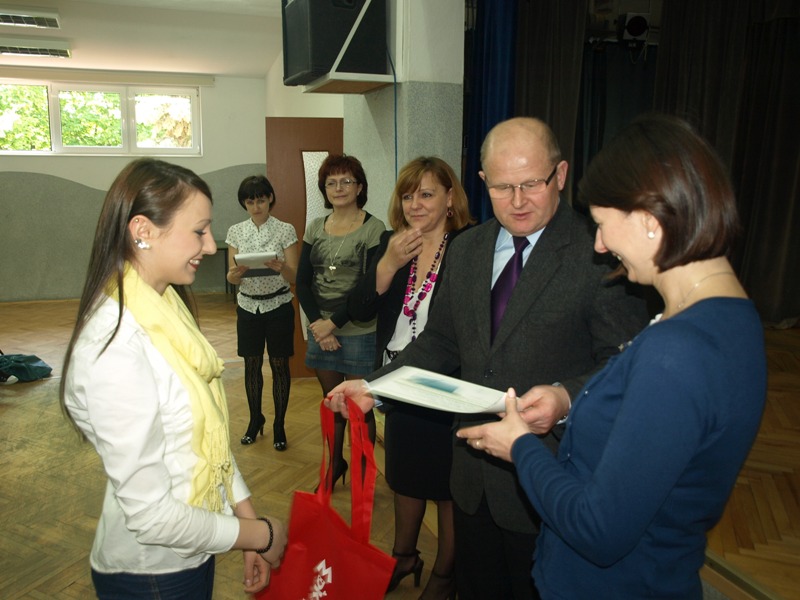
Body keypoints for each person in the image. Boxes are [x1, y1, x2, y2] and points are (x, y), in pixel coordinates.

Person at [325, 117, 649, 599]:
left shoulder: (597, 252)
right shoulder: (470, 248)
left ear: (560, 175)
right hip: (471, 472)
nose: (517, 201)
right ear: (481, 184)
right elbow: (440, 343)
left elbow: (622, 366)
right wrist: (376, 385)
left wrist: (564, 398)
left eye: (530, 184)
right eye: (502, 187)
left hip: (551, 475)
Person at [456, 113, 768, 599]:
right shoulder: (733, 318)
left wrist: (520, 446)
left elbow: (599, 529)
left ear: (648, 219)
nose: (599, 245)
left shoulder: (677, 352)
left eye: (602, 225)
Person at [59, 159, 287, 599]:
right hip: (152, 572)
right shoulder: (116, 345)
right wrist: (261, 535)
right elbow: (151, 517)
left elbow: (207, 435)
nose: (209, 244)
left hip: (194, 548)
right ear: (143, 230)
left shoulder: (164, 306)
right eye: (198, 231)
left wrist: (244, 514)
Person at [348, 157, 474, 599]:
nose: (415, 204)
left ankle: (445, 571)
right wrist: (386, 264)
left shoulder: (467, 248)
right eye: (407, 195)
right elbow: (356, 310)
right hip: (395, 379)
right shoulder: (392, 243)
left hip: (444, 382)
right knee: (403, 474)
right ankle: (404, 555)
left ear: (450, 198)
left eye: (426, 193)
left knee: (446, 484)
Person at [295, 154, 385, 490]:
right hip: (321, 330)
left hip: (360, 329)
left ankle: (363, 473)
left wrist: (334, 323)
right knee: (332, 403)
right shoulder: (315, 227)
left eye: (346, 181)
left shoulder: (375, 228)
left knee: (360, 407)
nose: (339, 187)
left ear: (359, 186)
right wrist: (319, 324)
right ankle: (335, 465)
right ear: (324, 188)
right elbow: (303, 282)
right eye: (331, 182)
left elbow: (371, 287)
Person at [225, 175, 299, 450]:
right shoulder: (236, 231)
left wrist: (282, 267)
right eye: (250, 201)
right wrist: (234, 274)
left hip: (278, 305)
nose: (256, 206)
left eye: (261, 200)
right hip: (247, 306)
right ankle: (256, 419)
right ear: (244, 203)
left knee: (280, 365)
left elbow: (295, 275)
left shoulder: (285, 229)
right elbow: (231, 279)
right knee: (251, 364)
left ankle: (279, 423)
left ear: (270, 199)